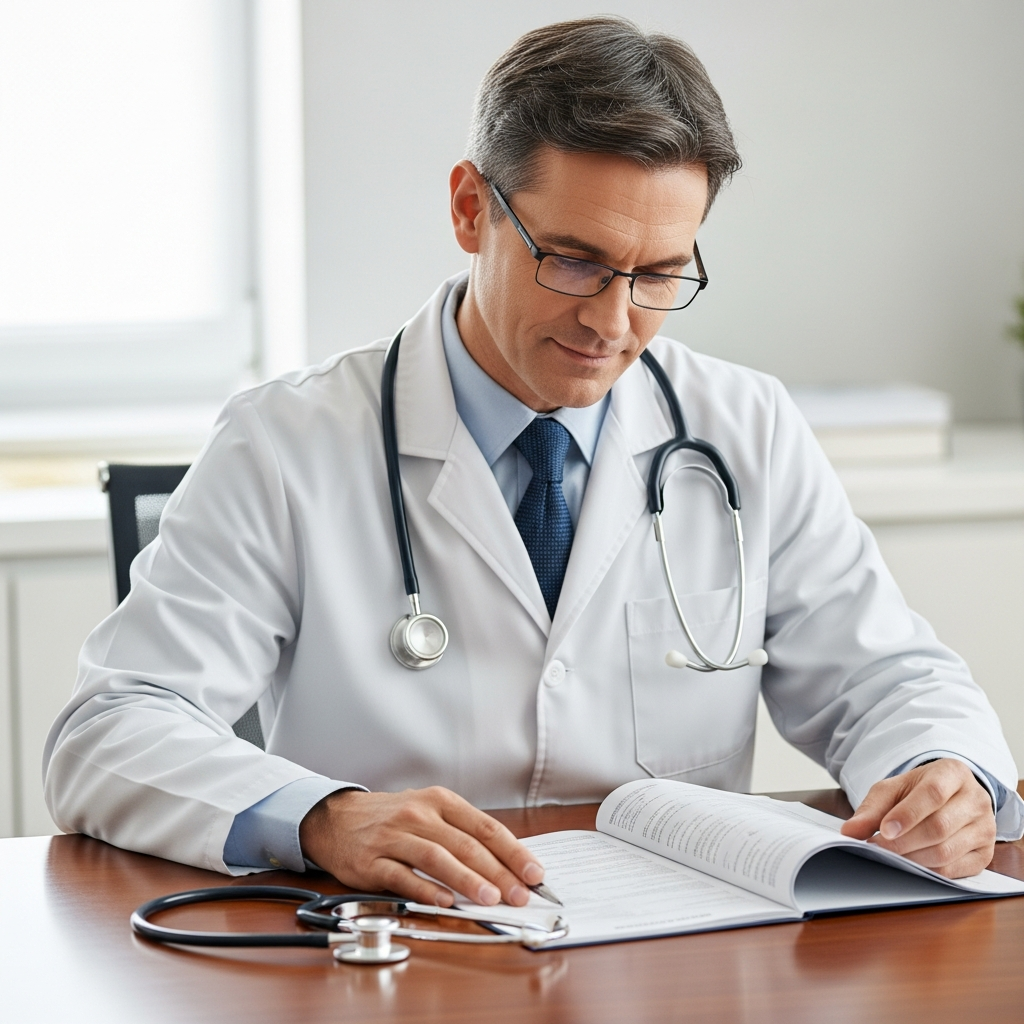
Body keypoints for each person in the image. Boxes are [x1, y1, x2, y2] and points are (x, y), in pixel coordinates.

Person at [45, 17, 1021, 908]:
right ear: (471, 208)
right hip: (402, 947)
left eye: (657, 274)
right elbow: (110, 732)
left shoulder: (743, 425)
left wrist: (949, 773)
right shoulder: (286, 440)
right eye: (574, 259)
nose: (610, 320)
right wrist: (323, 815)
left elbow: (889, 676)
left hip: (676, 953)